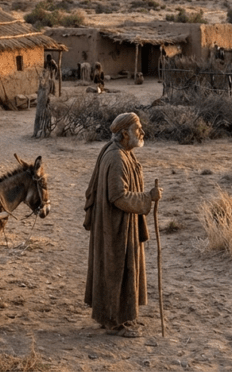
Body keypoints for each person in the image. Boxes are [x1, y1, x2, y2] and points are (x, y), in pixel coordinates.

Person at [83, 112, 162, 338]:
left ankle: (118, 316)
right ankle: (116, 322)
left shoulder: (122, 153)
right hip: (115, 227)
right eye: (138, 130)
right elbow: (118, 197)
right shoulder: (116, 158)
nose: (142, 133)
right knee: (116, 270)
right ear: (125, 134)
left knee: (116, 270)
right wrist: (148, 198)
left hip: (118, 225)